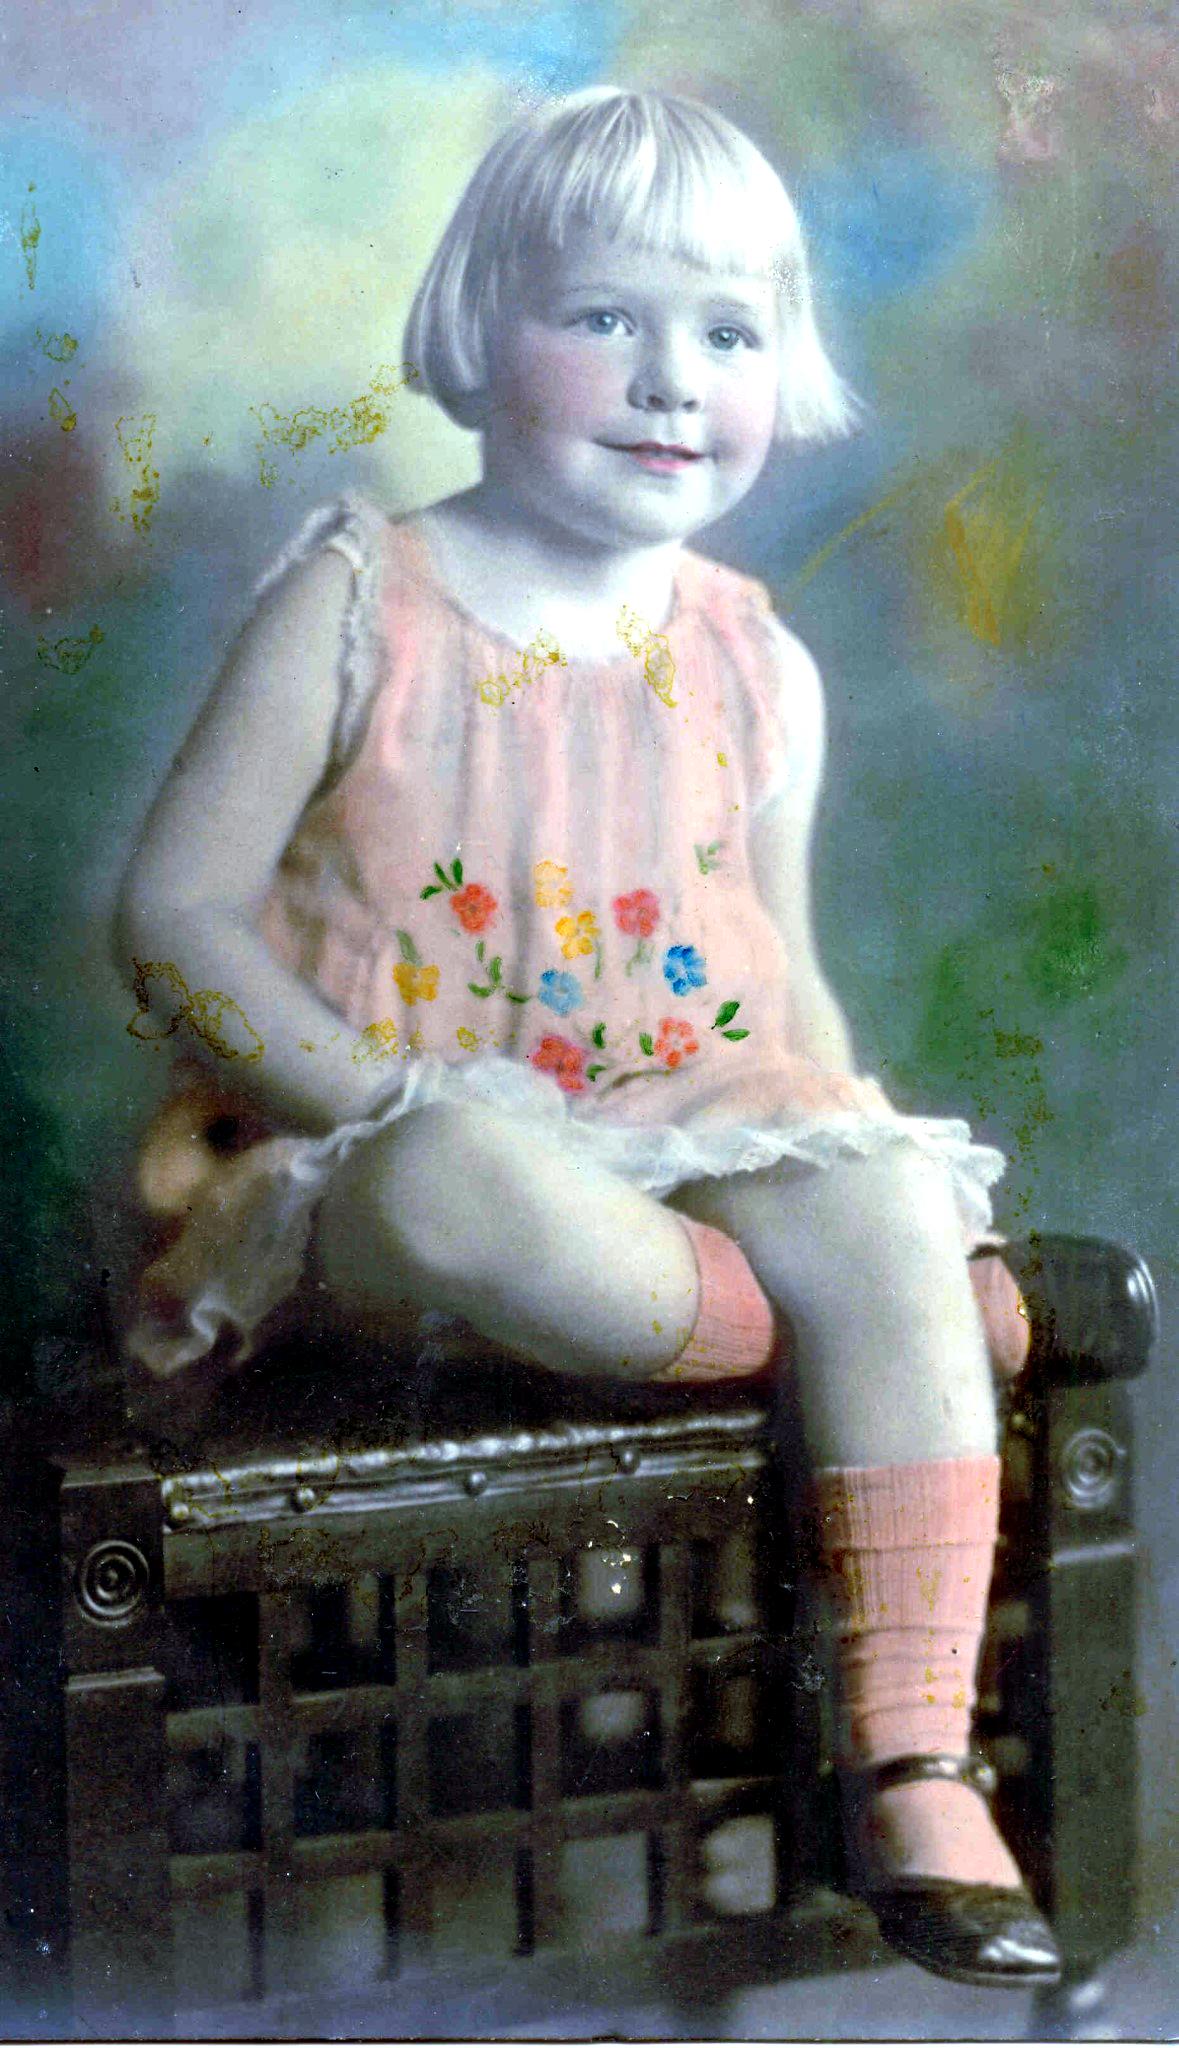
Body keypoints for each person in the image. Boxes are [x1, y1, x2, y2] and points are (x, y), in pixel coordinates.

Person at [114, 86, 1059, 1987]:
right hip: (404, 1165)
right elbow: (172, 918)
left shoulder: (757, 661)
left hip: (680, 1154)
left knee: (873, 1182)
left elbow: (783, 992)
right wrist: (383, 1101)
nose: (668, 380)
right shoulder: (363, 600)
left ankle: (910, 1758)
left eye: (727, 333)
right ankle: (842, 1333)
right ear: (483, 330)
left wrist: (891, 1194)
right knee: (468, 1173)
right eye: (606, 316)